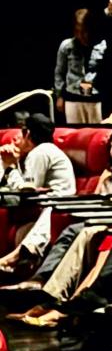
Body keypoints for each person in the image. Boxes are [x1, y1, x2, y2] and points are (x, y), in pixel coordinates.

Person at [0, 114, 78, 278]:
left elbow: (27, 190)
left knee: (49, 212)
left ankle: (13, 258)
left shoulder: (41, 151)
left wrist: (10, 167)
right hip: (46, 205)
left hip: (57, 206)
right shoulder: (44, 151)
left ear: (27, 134)